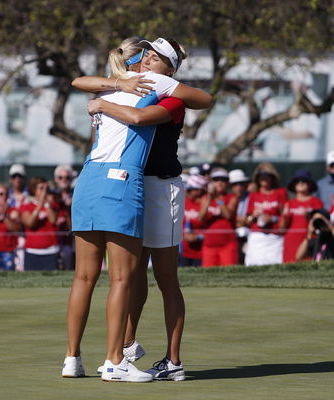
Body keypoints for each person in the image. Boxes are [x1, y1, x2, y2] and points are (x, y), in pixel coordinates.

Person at [64, 37, 211, 382]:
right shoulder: (129, 84)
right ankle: (124, 348)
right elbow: (82, 82)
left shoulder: (168, 91)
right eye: (147, 54)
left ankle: (170, 361)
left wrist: (100, 104)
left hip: (160, 188)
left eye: (158, 58)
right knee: (130, 276)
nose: (148, 60)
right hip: (128, 185)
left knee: (163, 277)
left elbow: (142, 115)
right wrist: (114, 87)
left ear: (170, 68)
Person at [244, 163, 288, 266]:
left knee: (275, 266)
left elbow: (285, 215)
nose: (263, 179)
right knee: (254, 265)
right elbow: (247, 220)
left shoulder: (280, 193)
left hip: (274, 236)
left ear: (272, 177)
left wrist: (273, 219)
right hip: (257, 236)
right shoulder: (254, 195)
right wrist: (253, 216)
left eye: (266, 176)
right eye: (261, 176)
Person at [198, 168, 238, 267]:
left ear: (227, 183)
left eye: (223, 180)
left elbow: (228, 215)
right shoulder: (205, 198)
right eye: (216, 180)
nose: (220, 183)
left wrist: (217, 199)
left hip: (227, 243)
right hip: (209, 244)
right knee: (208, 274)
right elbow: (200, 219)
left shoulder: (232, 197)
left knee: (229, 273)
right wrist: (208, 200)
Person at [280, 169, 323, 263]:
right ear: (294, 184)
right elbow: (281, 228)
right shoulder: (289, 203)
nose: (300, 183)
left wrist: (309, 217)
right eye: (297, 181)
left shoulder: (316, 202)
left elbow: (319, 224)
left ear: (310, 184)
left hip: (308, 241)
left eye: (304, 181)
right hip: (291, 243)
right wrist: (284, 216)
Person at [20, 177, 60, 271]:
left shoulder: (53, 205)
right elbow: (30, 223)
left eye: (46, 188)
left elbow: (53, 220)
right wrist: (39, 205)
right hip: (32, 251)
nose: (44, 191)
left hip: (51, 251)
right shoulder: (26, 205)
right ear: (34, 189)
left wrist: (45, 204)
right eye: (41, 188)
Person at [180, 174, 208, 267]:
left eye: (191, 190)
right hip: (185, 250)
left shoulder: (205, 204)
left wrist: (198, 237)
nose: (187, 192)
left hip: (202, 251)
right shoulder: (183, 202)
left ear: (200, 191)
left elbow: (207, 225)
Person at [53, 165, 75, 270]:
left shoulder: (76, 194)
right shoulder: (51, 195)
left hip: (70, 239)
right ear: (56, 179)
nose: (64, 180)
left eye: (67, 177)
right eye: (60, 177)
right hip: (53, 239)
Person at [229, 169, 251, 264]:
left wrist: (239, 220)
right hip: (233, 236)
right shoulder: (228, 198)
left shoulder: (251, 197)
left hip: (248, 235)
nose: (239, 187)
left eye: (241, 184)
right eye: (235, 185)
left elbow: (250, 219)